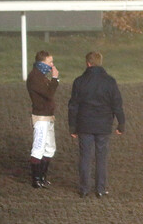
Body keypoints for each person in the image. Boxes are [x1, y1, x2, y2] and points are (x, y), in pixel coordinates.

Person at [69, 52, 125, 199]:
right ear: (100, 63)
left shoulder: (79, 81)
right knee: (101, 157)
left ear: (88, 63)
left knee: (85, 157)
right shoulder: (110, 82)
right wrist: (121, 123)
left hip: (85, 125)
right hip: (103, 126)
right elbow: (117, 104)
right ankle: (100, 189)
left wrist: (72, 126)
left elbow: (73, 106)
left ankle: (84, 189)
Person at [26, 50, 60, 189]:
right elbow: (49, 94)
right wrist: (55, 79)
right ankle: (36, 179)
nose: (52, 65)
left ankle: (42, 177)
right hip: (41, 118)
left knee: (50, 148)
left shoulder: (40, 76)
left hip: (48, 117)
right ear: (42, 62)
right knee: (38, 148)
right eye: (50, 62)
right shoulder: (35, 77)